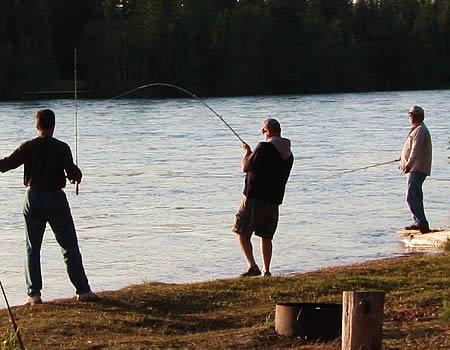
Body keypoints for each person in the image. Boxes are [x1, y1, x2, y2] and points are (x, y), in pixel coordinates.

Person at [0, 109, 98, 304]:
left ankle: (33, 294)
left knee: (32, 248)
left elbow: (5, 165)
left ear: (37, 126)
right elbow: (72, 174)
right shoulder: (62, 148)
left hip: (33, 198)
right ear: (54, 126)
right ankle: (83, 290)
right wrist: (77, 176)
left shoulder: (27, 147)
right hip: (55, 199)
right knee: (69, 246)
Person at [232, 118, 294, 277]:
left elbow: (245, 167)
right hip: (274, 199)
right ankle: (266, 271)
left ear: (269, 131)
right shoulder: (288, 153)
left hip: (254, 196)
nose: (262, 132)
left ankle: (252, 266)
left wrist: (247, 153)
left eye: (264, 130)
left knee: (240, 229)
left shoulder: (263, 147)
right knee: (266, 235)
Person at [399, 105, 432, 234]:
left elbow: (416, 150)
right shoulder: (417, 129)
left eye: (411, 114)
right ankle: (419, 221)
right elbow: (410, 148)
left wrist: (409, 164)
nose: (410, 116)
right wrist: (402, 158)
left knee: (411, 195)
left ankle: (421, 223)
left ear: (417, 116)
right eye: (409, 114)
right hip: (415, 167)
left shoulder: (420, 130)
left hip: (417, 168)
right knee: (415, 195)